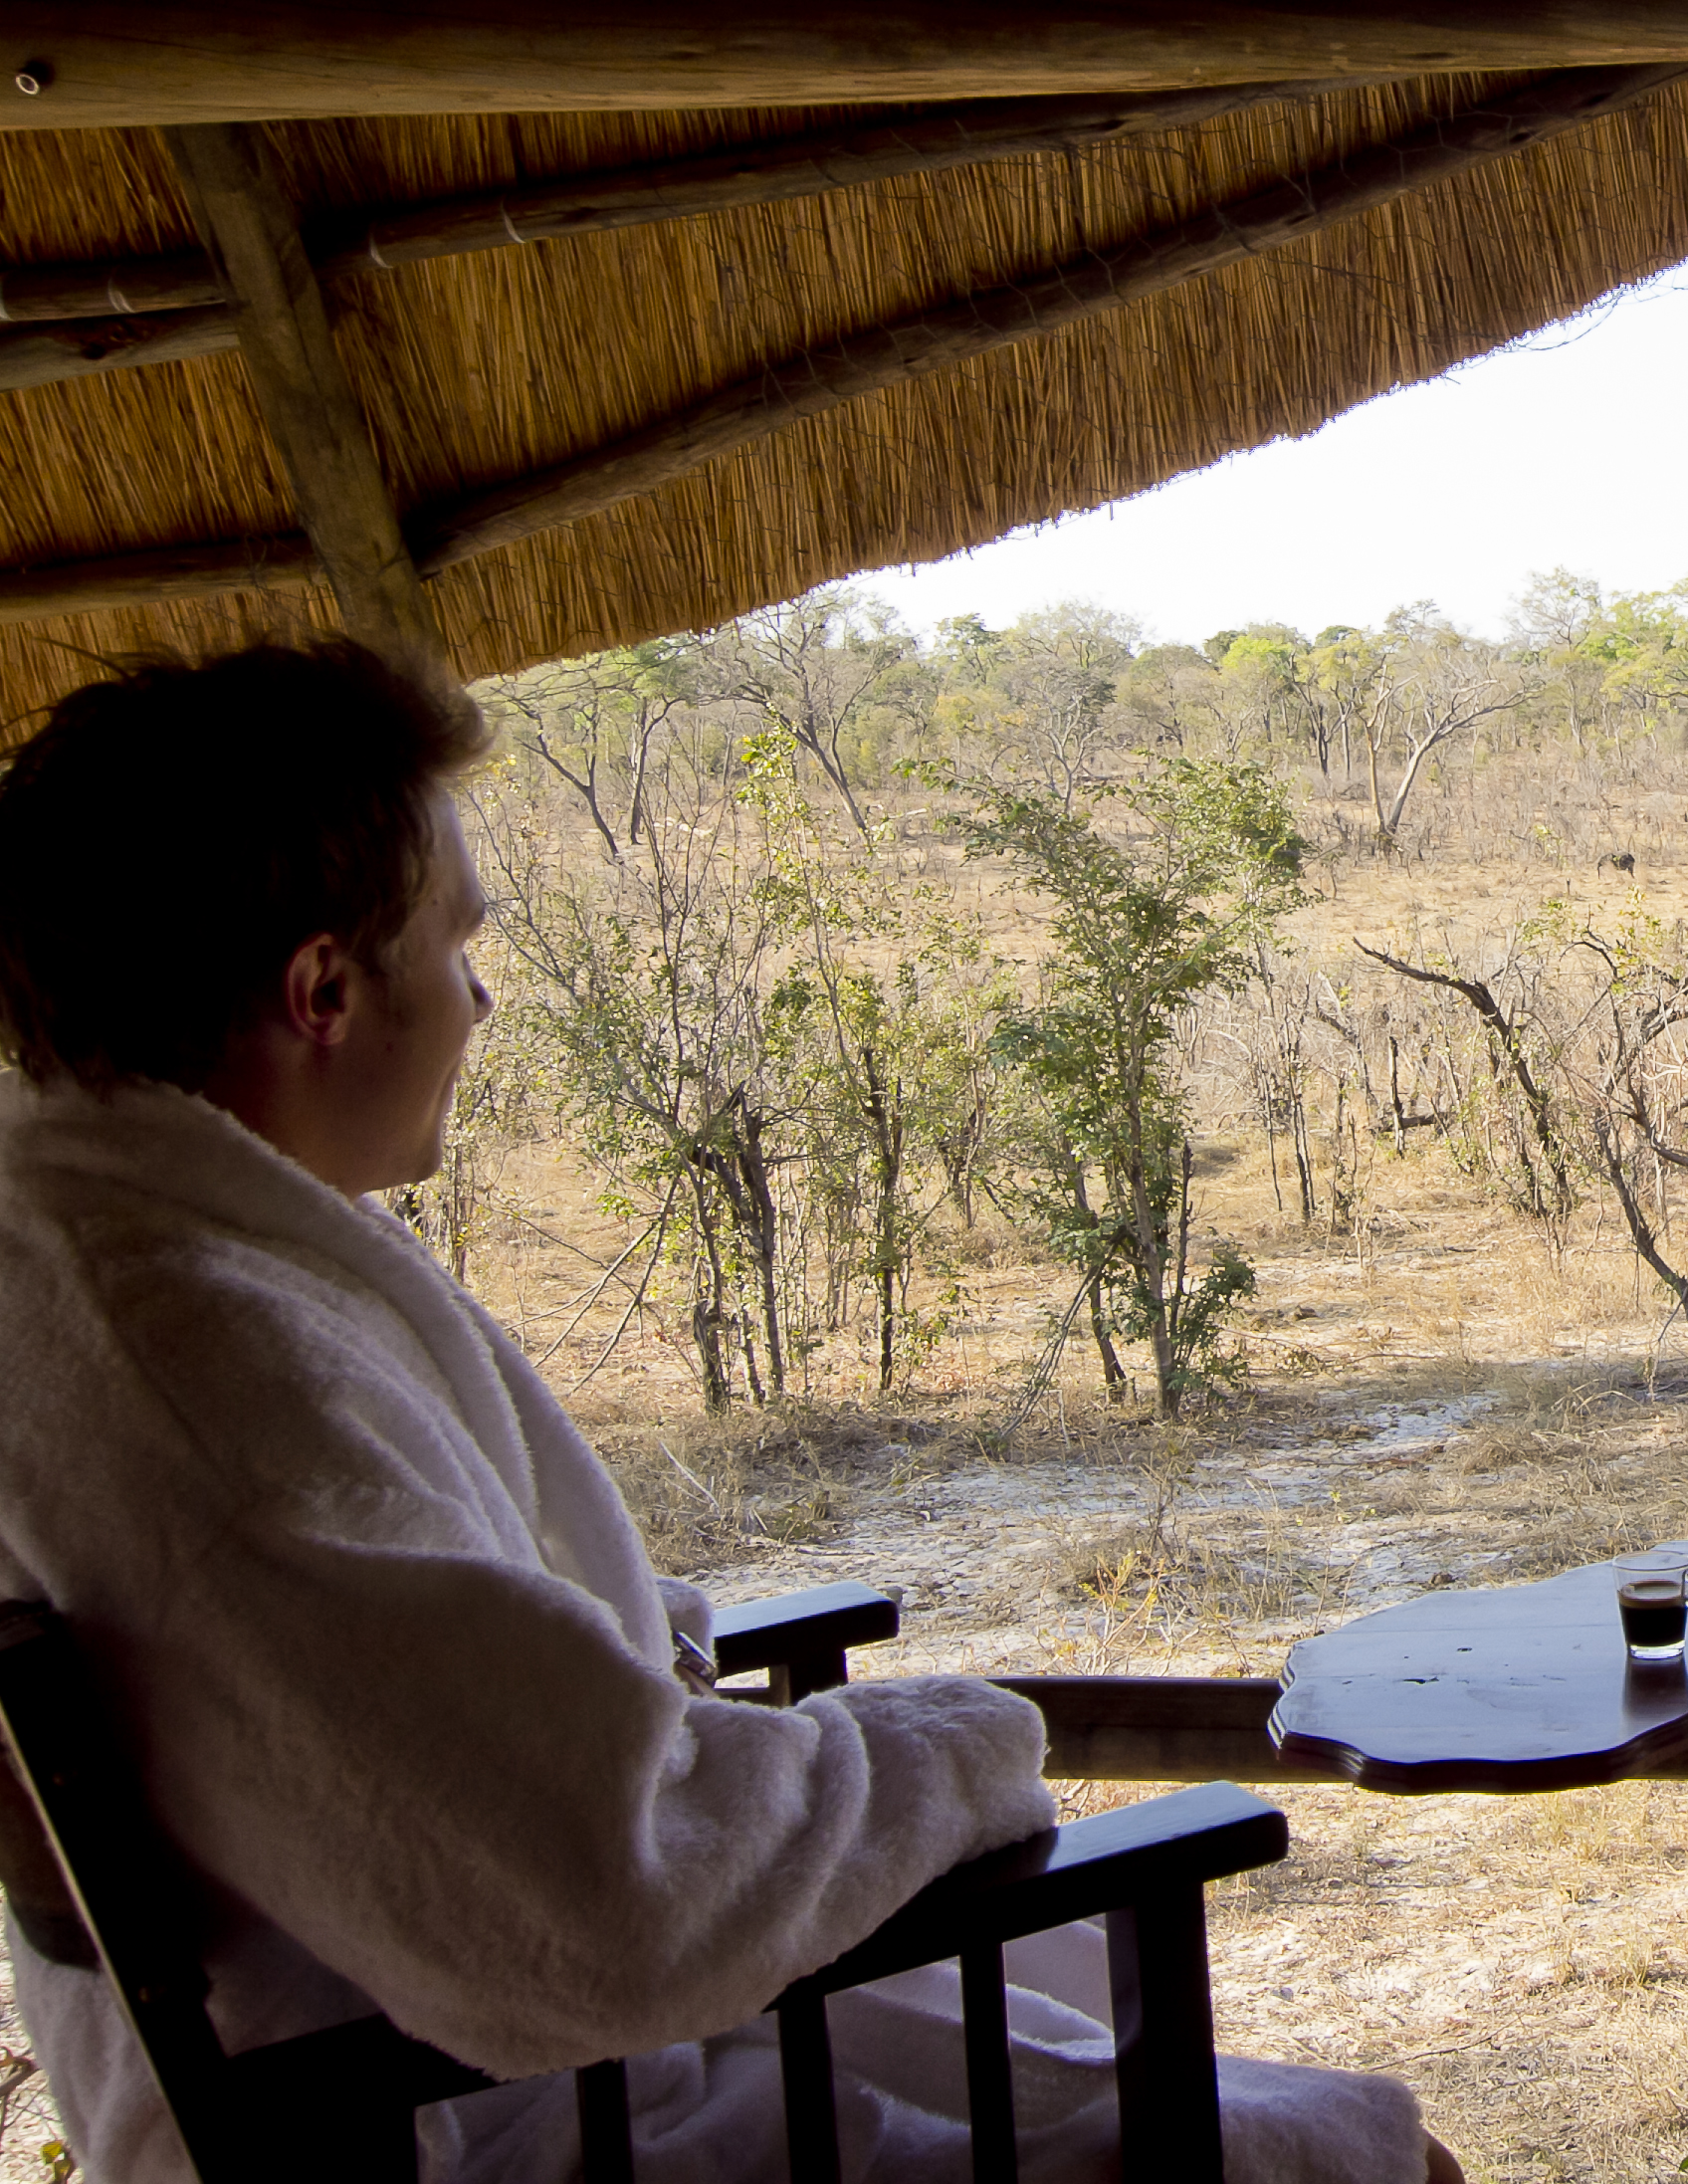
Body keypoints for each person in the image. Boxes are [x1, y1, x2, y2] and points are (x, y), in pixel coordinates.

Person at [0, 644, 1461, 2183]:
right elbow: (610, 1896)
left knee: (1177, 2054)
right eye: (458, 946)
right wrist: (956, 1744)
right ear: (325, 991)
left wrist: (618, 1647)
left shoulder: (93, 1268)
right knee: (1376, 2159)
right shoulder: (209, 1378)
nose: (482, 997)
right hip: (496, 2124)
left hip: (422, 2069)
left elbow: (413, 1686)